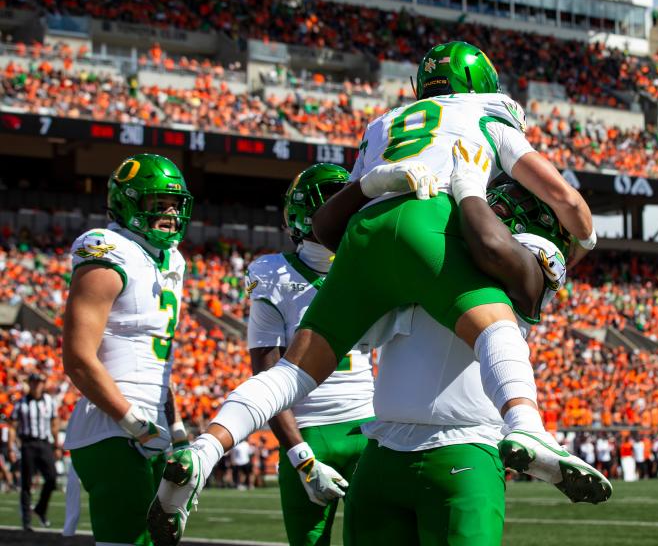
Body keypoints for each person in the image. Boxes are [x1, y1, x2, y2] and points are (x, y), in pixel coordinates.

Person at [149, 42, 604, 545]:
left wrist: (369, 190)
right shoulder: (486, 113)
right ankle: (528, 425)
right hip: (429, 220)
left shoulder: (384, 124)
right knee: (497, 327)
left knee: (292, 372)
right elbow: (565, 198)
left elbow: (330, 225)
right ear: (482, 81)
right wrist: (583, 237)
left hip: (363, 230)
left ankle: (204, 450)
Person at [345, 174, 589, 545]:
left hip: (462, 447)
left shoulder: (535, 254)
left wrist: (464, 187)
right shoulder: (443, 240)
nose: (499, 201)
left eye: (511, 199)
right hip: (382, 448)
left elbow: (491, 248)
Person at [62, 153, 192, 545]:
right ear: (128, 202)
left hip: (152, 427)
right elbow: (78, 358)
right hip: (111, 426)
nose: (170, 213)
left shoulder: (173, 260)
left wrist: (177, 429)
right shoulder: (106, 247)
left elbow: (157, 358)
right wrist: (133, 422)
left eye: (175, 204)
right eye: (158, 203)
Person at [245, 163, 374, 546]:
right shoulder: (274, 274)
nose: (343, 213)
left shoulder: (366, 268)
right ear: (305, 213)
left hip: (368, 428)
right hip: (309, 431)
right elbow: (266, 375)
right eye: (332, 204)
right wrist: (300, 455)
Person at [14, 373, 58, 531]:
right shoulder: (21, 403)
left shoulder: (49, 402)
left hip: (45, 444)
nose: (36, 385)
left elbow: (54, 423)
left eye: (39, 382)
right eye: (34, 382)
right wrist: (15, 445)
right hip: (28, 444)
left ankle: (40, 509)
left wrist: (57, 446)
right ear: (30, 384)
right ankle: (26, 521)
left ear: (43, 384)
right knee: (26, 483)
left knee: (52, 479)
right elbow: (13, 425)